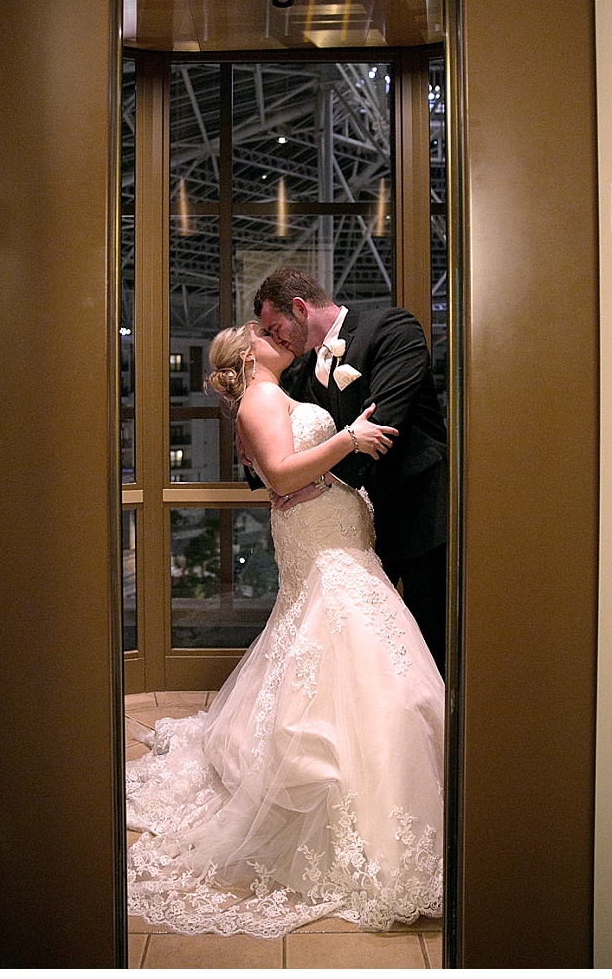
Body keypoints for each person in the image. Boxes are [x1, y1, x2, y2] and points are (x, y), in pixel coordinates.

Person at [126, 321, 444, 938]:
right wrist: (349, 440)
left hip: (334, 532)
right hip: (323, 543)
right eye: (264, 333)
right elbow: (281, 473)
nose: (277, 336)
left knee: (341, 654)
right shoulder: (261, 398)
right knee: (367, 668)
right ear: (250, 353)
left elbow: (294, 470)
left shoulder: (276, 392)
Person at [253, 267, 449, 678]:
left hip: (417, 516)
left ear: (301, 308)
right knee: (359, 654)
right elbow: (288, 436)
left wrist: (316, 479)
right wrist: (261, 462)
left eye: (276, 327)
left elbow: (383, 425)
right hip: (354, 530)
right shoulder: (306, 372)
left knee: (426, 645)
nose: (277, 340)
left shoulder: (391, 327)